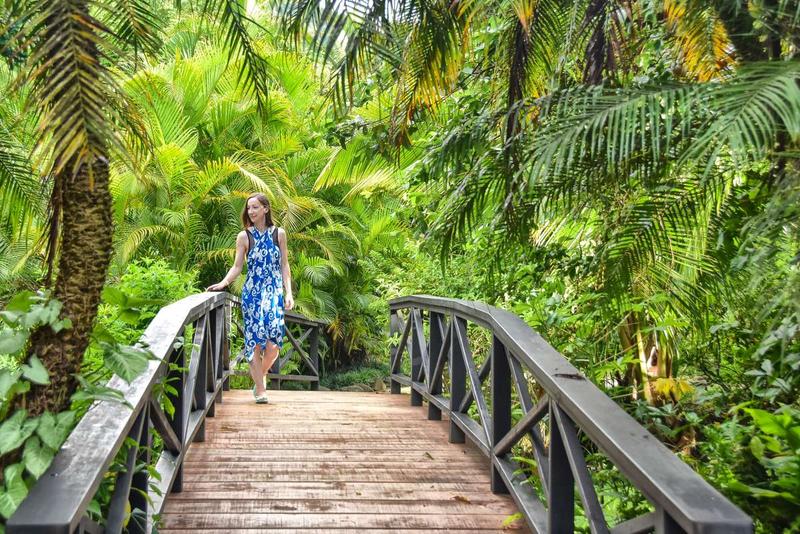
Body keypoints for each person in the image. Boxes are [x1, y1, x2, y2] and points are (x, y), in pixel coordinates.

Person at [207, 193, 294, 404]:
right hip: (253, 295)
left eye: (255, 207)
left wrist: (289, 292)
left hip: (274, 294)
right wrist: (223, 283)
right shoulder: (244, 237)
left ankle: (258, 376)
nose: (251, 211)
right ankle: (261, 391)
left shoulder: (279, 234)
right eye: (249, 208)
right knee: (254, 342)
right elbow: (237, 266)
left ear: (266, 209)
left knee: (274, 345)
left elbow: (284, 265)